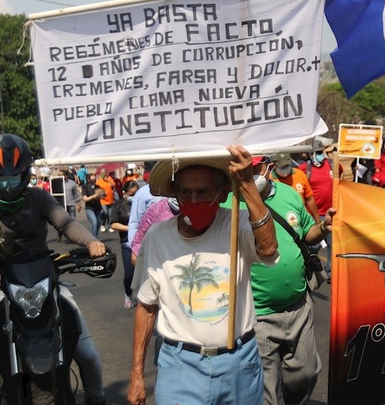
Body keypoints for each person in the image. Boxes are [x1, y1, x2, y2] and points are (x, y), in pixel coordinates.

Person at [128, 145, 279, 405]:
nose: (194, 201)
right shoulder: (157, 236)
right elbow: (146, 306)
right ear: (175, 194)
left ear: (221, 194)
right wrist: (136, 375)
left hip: (239, 364)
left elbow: (268, 248)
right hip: (180, 367)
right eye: (186, 192)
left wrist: (247, 185)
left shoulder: (238, 223)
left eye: (203, 192)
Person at [0, 134, 107, 405]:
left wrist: (92, 242)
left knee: (87, 351)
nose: (8, 185)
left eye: (13, 178)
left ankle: (97, 398)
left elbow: (66, 223)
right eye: (1, 179)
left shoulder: (39, 198)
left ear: (26, 173)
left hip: (46, 284)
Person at [228, 155, 332, 405]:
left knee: (306, 373)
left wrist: (325, 226)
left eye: (253, 169)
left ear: (269, 167)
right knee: (267, 393)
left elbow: (308, 232)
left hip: (299, 307)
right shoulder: (228, 203)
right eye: (242, 170)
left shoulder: (289, 194)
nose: (248, 175)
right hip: (257, 316)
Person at [299, 144, 341, 280]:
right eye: (316, 152)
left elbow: (341, 174)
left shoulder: (331, 164)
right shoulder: (305, 169)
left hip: (331, 213)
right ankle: (307, 265)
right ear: (311, 154)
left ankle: (330, 273)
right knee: (314, 245)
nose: (319, 155)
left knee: (332, 245)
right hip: (312, 214)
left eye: (320, 152)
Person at [110, 180, 140, 309]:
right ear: (124, 193)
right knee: (129, 275)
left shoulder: (141, 204)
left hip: (144, 243)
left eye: (136, 193)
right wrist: (130, 228)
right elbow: (113, 224)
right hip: (127, 244)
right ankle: (128, 294)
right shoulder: (118, 205)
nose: (134, 196)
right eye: (132, 194)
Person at [271, 152, 320, 222]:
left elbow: (310, 199)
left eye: (287, 166)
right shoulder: (270, 180)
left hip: (302, 218)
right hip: (281, 221)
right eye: (282, 167)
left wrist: (318, 220)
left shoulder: (300, 174)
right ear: (274, 166)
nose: (285, 169)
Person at [57, 168, 83, 243]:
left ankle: (72, 236)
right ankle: (60, 233)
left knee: (72, 220)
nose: (60, 177)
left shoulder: (72, 183)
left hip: (70, 203)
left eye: (62, 175)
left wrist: (78, 204)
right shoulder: (56, 183)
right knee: (61, 221)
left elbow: (75, 194)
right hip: (61, 205)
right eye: (59, 175)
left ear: (66, 176)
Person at [81, 172, 104, 238]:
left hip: (98, 207)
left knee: (98, 223)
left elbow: (102, 195)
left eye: (95, 179)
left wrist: (102, 195)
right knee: (94, 222)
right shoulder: (85, 187)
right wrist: (93, 196)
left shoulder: (97, 187)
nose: (94, 180)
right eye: (92, 179)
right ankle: (94, 238)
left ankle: (95, 235)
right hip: (90, 207)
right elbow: (85, 198)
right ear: (88, 180)